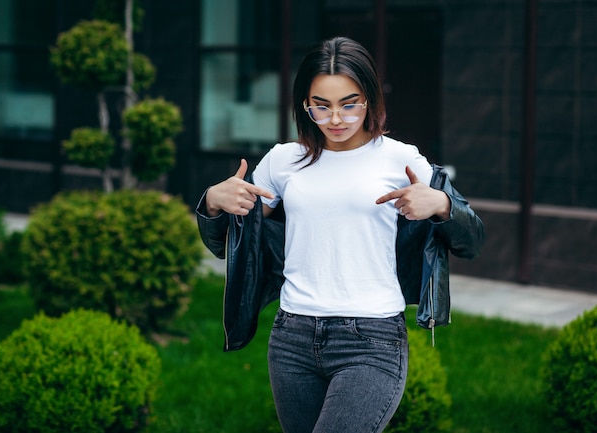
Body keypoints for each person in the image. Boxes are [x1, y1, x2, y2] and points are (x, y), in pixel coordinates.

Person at [197, 36, 484, 433]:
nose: (335, 118)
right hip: (292, 337)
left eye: (349, 104)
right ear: (305, 104)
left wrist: (441, 206)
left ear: (370, 99)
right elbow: (232, 245)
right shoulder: (283, 161)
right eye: (321, 105)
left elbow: (472, 240)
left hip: (371, 339)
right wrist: (213, 202)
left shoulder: (401, 158)